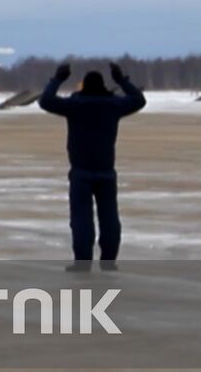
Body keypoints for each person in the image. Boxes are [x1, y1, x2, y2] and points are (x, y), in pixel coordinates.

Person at [38, 63, 145, 270]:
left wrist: (58, 79)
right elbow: (139, 100)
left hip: (81, 171)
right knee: (110, 218)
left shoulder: (75, 105)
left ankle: (83, 262)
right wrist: (122, 80)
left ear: (84, 86)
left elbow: (46, 101)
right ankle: (109, 261)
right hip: (106, 170)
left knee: (81, 220)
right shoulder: (113, 105)